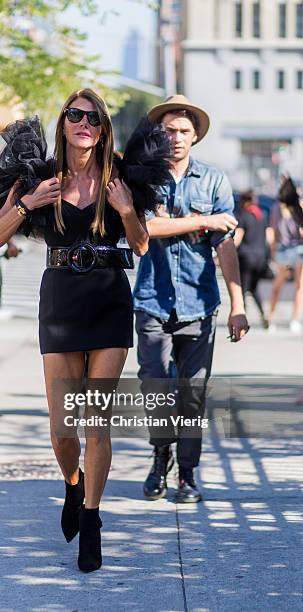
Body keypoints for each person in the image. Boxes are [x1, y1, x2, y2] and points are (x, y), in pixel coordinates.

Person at [0, 89, 170, 572]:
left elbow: (143, 246)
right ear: (64, 124)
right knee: (63, 427)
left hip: (109, 299)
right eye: (75, 115)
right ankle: (72, 484)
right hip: (61, 301)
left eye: (93, 117)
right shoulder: (39, 177)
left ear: (103, 128)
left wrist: (127, 210)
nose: (83, 122)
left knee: (95, 422)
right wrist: (29, 202)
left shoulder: (122, 175)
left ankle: (91, 519)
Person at [132, 94, 249, 504]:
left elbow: (226, 245)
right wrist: (202, 220)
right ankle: (159, 454)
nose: (176, 137)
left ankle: (186, 473)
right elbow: (143, 231)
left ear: (195, 135)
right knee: (156, 389)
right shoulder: (143, 179)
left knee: (192, 394)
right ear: (158, 135)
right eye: (168, 131)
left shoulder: (215, 181)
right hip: (151, 301)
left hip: (200, 305)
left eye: (183, 130)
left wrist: (238, 305)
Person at [267, 176, 303, 333]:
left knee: (278, 286)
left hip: (283, 249)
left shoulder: (276, 208)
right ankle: (294, 320)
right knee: (299, 287)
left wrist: (273, 253)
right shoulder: (299, 206)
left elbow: (274, 232)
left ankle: (271, 319)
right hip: (298, 248)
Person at [234, 191, 269, 328]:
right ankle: (263, 314)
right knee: (254, 288)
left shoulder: (243, 215)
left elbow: (238, 238)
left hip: (246, 258)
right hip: (260, 258)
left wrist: (224, 251)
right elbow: (269, 237)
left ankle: (241, 318)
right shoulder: (262, 215)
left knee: (242, 288)